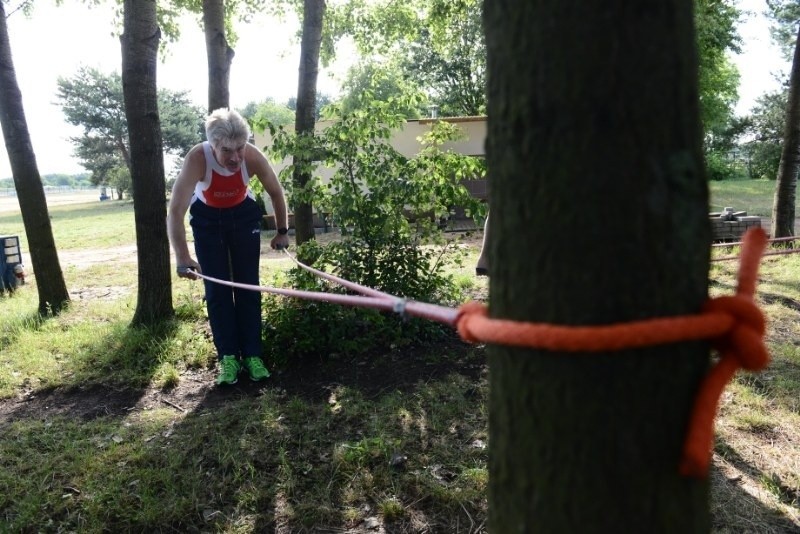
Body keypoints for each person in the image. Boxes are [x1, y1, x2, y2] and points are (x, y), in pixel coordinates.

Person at [167, 108, 290, 386]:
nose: (235, 157)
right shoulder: (198, 158)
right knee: (218, 289)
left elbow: (276, 191)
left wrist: (282, 232)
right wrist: (182, 256)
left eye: (240, 148)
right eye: (227, 151)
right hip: (207, 219)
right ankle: (228, 359)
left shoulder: (253, 157)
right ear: (213, 146)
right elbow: (175, 211)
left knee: (249, 285)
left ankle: (253, 356)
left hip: (243, 215)